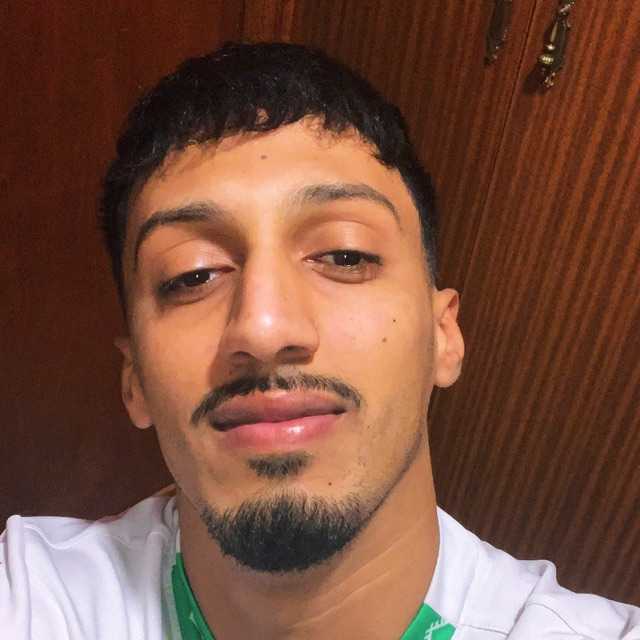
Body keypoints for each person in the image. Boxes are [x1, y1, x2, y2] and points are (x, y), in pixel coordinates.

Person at [1, 41, 638, 640]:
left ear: (443, 334)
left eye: (344, 254)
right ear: (133, 380)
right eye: (192, 274)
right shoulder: (35, 598)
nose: (264, 327)